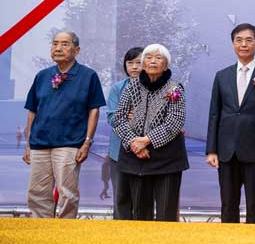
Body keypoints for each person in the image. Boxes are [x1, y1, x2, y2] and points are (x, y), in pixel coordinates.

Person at [22, 31, 106, 218]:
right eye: (55, 44)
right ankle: (41, 233)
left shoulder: (88, 75)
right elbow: (33, 111)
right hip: (39, 144)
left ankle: (64, 233)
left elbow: (94, 110)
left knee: (67, 194)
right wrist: (28, 144)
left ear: (76, 50)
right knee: (37, 194)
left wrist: (87, 142)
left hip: (69, 144)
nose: (58, 48)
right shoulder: (42, 76)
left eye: (64, 44)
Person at [206, 23, 255, 224]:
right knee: (228, 204)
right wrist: (211, 150)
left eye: (249, 40)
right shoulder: (222, 76)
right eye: (239, 40)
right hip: (226, 152)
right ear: (233, 44)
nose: (244, 44)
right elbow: (214, 114)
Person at [113, 44, 188, 222]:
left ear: (166, 64)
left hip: (167, 160)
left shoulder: (175, 88)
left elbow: (175, 122)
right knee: (139, 213)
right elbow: (119, 118)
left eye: (158, 58)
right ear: (143, 63)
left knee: (166, 214)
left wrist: (146, 140)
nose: (153, 61)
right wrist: (134, 143)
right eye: (148, 57)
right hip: (136, 157)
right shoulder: (131, 86)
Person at [106, 46, 143, 219]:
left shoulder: (157, 88)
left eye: (139, 62)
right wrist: (126, 116)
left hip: (147, 152)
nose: (134, 67)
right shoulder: (117, 89)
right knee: (120, 198)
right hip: (118, 152)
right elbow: (113, 118)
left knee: (143, 199)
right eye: (130, 63)